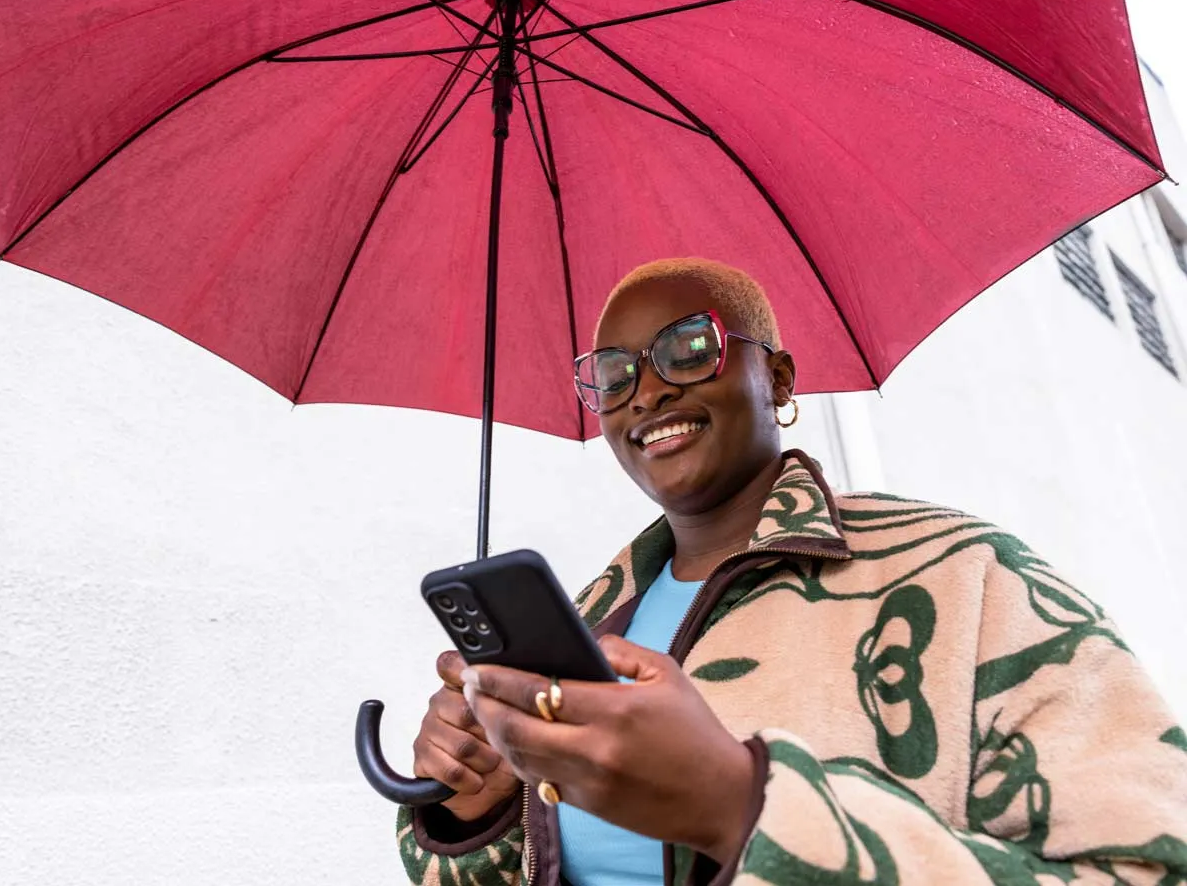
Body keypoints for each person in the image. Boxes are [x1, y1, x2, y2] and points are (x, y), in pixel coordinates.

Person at [398, 258, 1187, 885]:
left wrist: (742, 805)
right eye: (612, 374)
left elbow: (1151, 865)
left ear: (776, 380)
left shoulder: (966, 575)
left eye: (688, 347)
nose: (648, 392)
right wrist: (480, 814)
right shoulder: (596, 614)